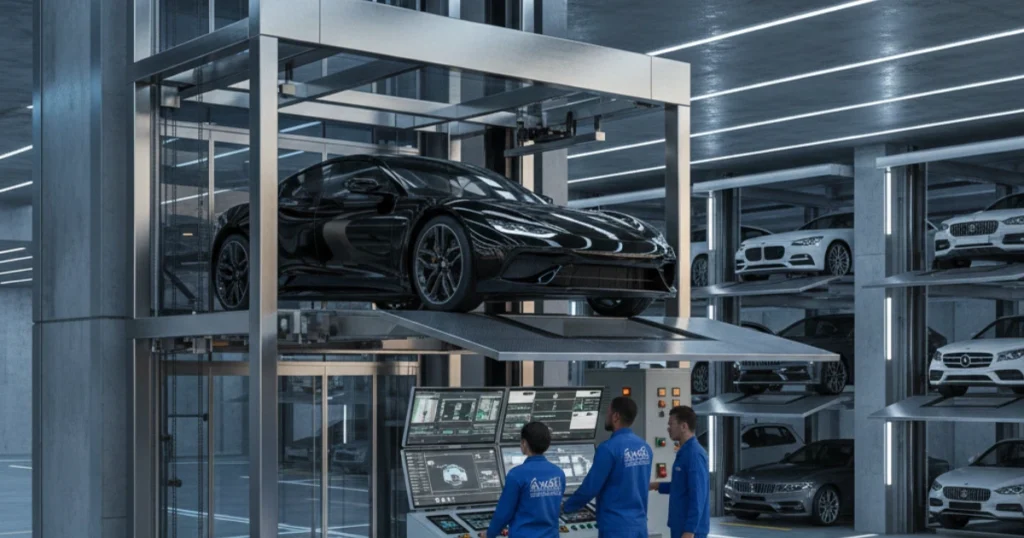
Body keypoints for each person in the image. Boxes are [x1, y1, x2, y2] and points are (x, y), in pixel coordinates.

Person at [562, 396, 653, 538]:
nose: (606, 416)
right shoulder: (645, 447)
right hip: (640, 526)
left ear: (616, 416)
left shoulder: (608, 449)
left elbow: (590, 488)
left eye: (608, 412)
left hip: (616, 528)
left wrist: (565, 508)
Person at [485, 421, 566, 538]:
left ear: (524, 443)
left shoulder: (516, 475)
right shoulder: (559, 473)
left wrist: (490, 534)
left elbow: (504, 513)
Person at [649, 406, 709, 538]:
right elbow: (681, 486)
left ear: (684, 426)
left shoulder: (694, 455)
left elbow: (698, 495)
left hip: (690, 531)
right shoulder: (684, 452)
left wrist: (690, 530)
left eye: (671, 424)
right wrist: (656, 485)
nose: (668, 428)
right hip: (679, 526)